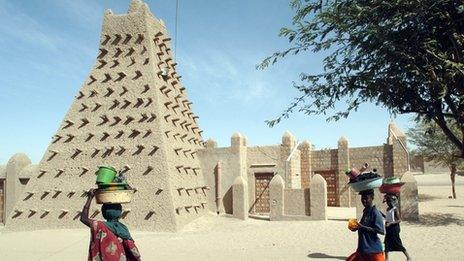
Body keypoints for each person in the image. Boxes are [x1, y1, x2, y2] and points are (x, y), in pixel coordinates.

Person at [80, 189, 141, 261]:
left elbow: (83, 218)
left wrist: (90, 198)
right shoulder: (123, 228)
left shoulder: (100, 226)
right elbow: (132, 249)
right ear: (119, 213)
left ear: (104, 213)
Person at [347, 189, 385, 261]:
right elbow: (363, 226)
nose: (364, 201)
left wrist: (362, 227)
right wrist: (356, 227)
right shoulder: (366, 211)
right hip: (362, 248)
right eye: (362, 198)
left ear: (372, 198)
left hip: (373, 250)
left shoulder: (375, 212)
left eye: (366, 198)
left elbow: (381, 231)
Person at [384, 194, 411, 261]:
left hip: (394, 228)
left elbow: (399, 220)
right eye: (387, 201)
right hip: (388, 228)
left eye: (389, 201)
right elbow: (388, 218)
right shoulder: (387, 209)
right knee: (386, 243)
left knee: (397, 242)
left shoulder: (395, 209)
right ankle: (386, 259)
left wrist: (390, 223)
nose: (388, 203)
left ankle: (408, 257)